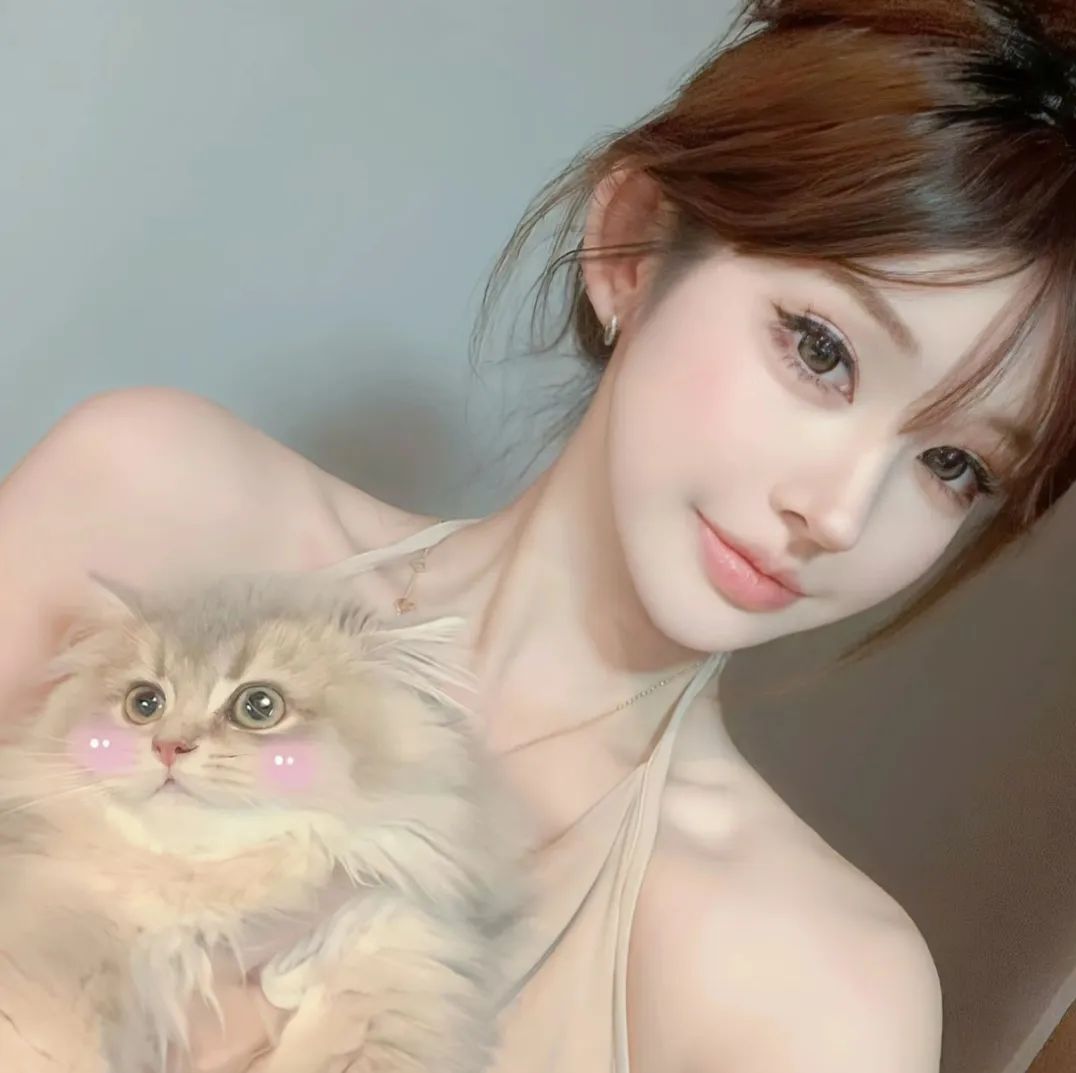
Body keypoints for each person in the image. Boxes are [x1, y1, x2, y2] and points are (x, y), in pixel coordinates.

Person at [2, 1, 1075, 1070]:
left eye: (954, 465)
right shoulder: (149, 503)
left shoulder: (816, 991)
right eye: (821, 349)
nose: (837, 512)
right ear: (633, 246)